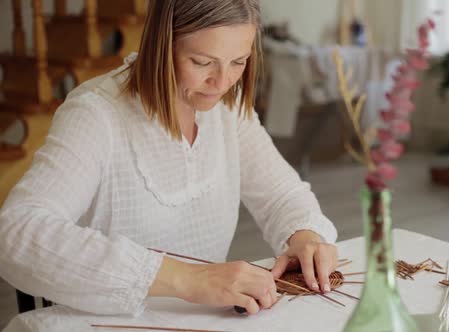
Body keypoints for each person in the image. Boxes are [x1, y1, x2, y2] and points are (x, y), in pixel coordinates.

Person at [0, 0, 338, 316]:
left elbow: (281, 194)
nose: (222, 82)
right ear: (161, 47)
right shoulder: (96, 115)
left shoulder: (226, 107)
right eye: (202, 62)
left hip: (203, 319)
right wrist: (188, 280)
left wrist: (305, 236)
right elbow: (15, 232)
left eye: (238, 61)